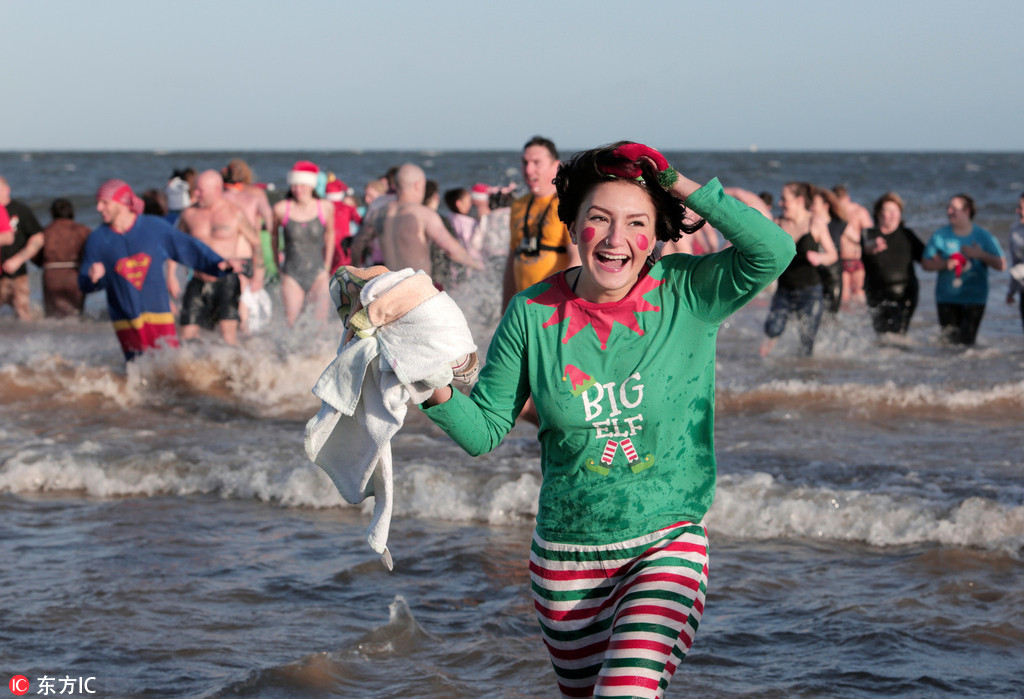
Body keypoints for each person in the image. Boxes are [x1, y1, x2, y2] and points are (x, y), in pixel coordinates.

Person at [418, 142, 793, 698]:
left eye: (636, 223)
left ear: (656, 233)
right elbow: (485, 431)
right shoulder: (531, 312)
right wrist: (424, 381)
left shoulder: (688, 292)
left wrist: (673, 179)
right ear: (573, 226)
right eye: (599, 219)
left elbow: (773, 251)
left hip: (665, 545)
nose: (617, 239)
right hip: (564, 569)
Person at [79, 179, 226, 361]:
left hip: (160, 318)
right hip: (125, 323)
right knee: (137, 373)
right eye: (97, 203)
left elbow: (188, 248)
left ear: (122, 202)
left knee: (171, 369)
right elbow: (84, 284)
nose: (99, 208)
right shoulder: (98, 238)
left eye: (104, 202)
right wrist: (92, 278)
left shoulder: (154, 228)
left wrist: (219, 264)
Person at [176, 170, 264, 345]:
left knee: (228, 336)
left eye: (200, 190)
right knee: (186, 335)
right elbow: (176, 244)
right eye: (196, 189)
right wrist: (171, 276)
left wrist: (258, 274)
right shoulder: (189, 214)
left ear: (216, 189)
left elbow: (255, 242)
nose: (195, 194)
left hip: (227, 280)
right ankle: (188, 370)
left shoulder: (234, 213)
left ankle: (231, 370)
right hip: (198, 279)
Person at [502, 136, 581, 310]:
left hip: (555, 308)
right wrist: (506, 310)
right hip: (524, 308)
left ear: (556, 167)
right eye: (525, 162)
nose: (528, 170)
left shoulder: (566, 205)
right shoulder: (518, 205)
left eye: (536, 163)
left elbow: (577, 261)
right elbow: (511, 262)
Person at [760, 181, 838, 357]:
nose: (780, 203)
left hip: (811, 291)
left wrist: (819, 257)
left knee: (806, 342)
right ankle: (769, 350)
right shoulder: (778, 223)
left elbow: (833, 255)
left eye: (784, 199)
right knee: (772, 329)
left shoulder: (815, 222)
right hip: (784, 290)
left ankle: (804, 377)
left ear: (799, 200)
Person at [921, 194, 1006, 345]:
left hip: (975, 298)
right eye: (948, 208)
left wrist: (979, 254)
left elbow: (1001, 265)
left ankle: (968, 369)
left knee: (967, 344)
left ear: (967, 211)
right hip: (946, 297)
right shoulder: (940, 235)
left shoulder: (983, 236)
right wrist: (944, 263)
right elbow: (925, 264)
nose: (949, 212)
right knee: (948, 344)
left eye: (954, 208)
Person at [376, 164, 483, 281]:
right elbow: (452, 250)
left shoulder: (379, 213)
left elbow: (358, 246)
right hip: (415, 287)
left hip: (389, 286)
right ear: (418, 185)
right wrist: (478, 265)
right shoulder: (423, 214)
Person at [271, 161, 336, 326]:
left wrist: (328, 265)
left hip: (319, 274)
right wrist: (276, 264)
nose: (297, 190)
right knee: (292, 325)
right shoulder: (281, 209)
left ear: (311, 186)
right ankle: (292, 353)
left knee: (319, 325)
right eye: (294, 185)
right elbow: (273, 237)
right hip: (292, 274)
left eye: (302, 185)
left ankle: (317, 353)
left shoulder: (325, 207)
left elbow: (330, 234)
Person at [860, 192, 926, 335]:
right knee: (882, 334)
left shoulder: (908, 235)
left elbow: (925, 258)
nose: (892, 215)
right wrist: (872, 246)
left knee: (899, 333)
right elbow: (864, 247)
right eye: (887, 211)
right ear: (878, 214)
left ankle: (900, 357)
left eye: (895, 211)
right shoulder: (869, 234)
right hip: (876, 293)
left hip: (906, 294)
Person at [33, 198, 93, 317]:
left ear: (52, 213)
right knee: (76, 314)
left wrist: (41, 263)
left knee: (52, 315)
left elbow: (35, 255)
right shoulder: (83, 230)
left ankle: (54, 336)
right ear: (72, 212)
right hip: (74, 274)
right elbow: (92, 251)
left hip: (51, 275)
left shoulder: (46, 231)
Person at [0, 176, 44, 319]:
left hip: (18, 274)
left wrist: (18, 259)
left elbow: (38, 238)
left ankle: (27, 340)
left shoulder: (20, 210)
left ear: (7, 189)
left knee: (24, 314)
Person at [810, 187, 849, 314]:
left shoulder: (839, 223)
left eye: (814, 204)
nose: (811, 207)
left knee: (831, 313)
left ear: (825, 206)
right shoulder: (810, 224)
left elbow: (857, 239)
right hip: (815, 273)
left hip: (833, 274)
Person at [832, 185, 872, 303]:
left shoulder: (859, 212)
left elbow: (870, 235)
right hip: (841, 259)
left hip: (857, 259)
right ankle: (846, 321)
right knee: (843, 297)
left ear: (847, 198)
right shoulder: (834, 213)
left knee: (859, 293)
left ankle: (860, 320)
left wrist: (852, 235)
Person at [325, 178, 362, 273]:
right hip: (343, 244)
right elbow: (361, 222)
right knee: (343, 270)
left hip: (325, 243)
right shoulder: (348, 208)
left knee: (326, 269)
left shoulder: (321, 207)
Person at [1006, 193, 1024, 334]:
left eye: (1021, 207)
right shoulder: (1015, 229)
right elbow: (1015, 263)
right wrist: (1011, 291)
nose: (1017, 211)